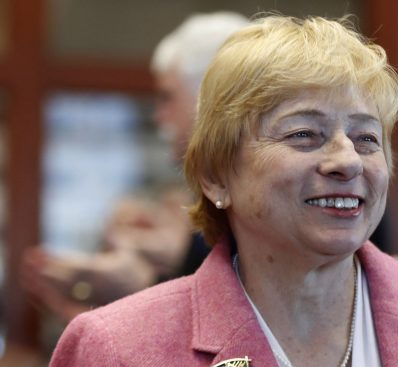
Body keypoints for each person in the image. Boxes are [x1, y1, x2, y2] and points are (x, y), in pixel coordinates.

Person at [30, 14, 398, 367]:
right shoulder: (115, 353)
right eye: (304, 133)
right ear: (215, 175)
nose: (347, 159)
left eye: (367, 137)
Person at [19, 12, 250, 322]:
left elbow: (234, 318)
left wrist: (140, 282)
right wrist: (167, 253)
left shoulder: (252, 193)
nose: (159, 115)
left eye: (167, 97)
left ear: (211, 98)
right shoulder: (218, 192)